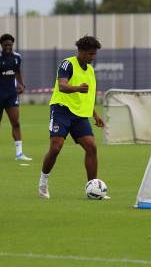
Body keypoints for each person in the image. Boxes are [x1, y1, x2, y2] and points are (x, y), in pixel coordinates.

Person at [39, 35, 107, 199]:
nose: (93, 57)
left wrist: (95, 114)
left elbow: (86, 97)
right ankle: (43, 183)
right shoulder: (67, 63)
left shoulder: (90, 70)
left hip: (80, 115)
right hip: (61, 110)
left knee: (92, 147)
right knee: (55, 148)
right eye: (90, 54)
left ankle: (94, 190)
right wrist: (77, 88)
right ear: (81, 51)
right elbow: (62, 85)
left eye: (95, 54)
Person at [0, 34, 32, 161]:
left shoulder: (17, 57)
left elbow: (18, 71)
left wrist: (22, 84)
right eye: (5, 45)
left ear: (12, 45)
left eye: (10, 45)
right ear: (1, 45)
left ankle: (19, 154)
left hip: (12, 94)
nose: (8, 47)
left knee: (16, 123)